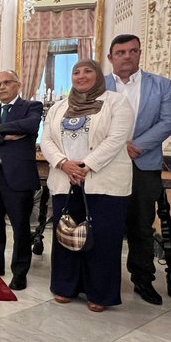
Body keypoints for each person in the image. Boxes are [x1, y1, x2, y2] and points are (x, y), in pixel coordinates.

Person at [42, 59, 134, 311]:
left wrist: (86, 165)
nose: (81, 76)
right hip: (65, 179)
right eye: (76, 72)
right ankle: (65, 286)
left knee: (102, 239)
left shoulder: (116, 102)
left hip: (103, 182)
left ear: (98, 75)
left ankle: (100, 294)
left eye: (87, 71)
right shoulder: (59, 107)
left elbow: (116, 139)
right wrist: (64, 164)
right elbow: (47, 139)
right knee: (66, 234)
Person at [105, 34, 171, 305]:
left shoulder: (160, 85)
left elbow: (168, 121)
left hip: (143, 163)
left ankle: (143, 279)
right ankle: (104, 277)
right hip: (106, 165)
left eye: (132, 51)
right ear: (111, 57)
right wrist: (113, 147)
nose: (127, 56)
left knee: (141, 225)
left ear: (139, 53)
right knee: (105, 223)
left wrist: (137, 145)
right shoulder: (98, 85)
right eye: (121, 52)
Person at [0, 70, 42, 291]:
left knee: (20, 227)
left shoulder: (31, 107)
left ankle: (20, 272)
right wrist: (5, 137)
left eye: (6, 83)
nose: (1, 87)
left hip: (18, 177)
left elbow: (29, 127)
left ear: (18, 85)